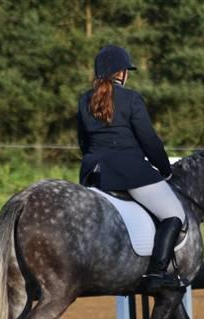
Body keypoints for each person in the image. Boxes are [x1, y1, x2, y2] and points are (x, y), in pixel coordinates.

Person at [78, 44, 187, 291]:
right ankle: (156, 275)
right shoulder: (131, 98)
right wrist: (164, 169)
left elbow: (83, 142)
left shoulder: (84, 99)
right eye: (127, 70)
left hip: (94, 174)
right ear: (121, 73)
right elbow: (149, 140)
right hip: (128, 172)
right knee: (174, 214)